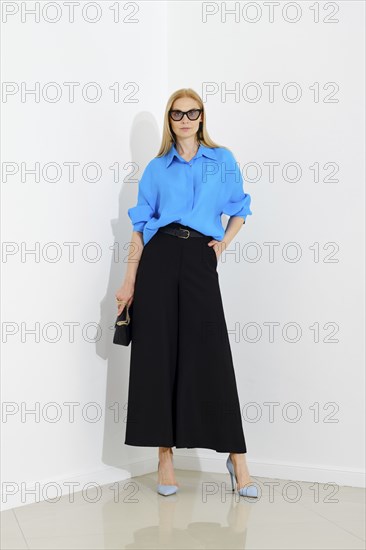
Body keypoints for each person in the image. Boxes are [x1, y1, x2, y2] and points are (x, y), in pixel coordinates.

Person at [115, 88, 257, 498]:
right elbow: (140, 228)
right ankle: (165, 457)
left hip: (199, 257)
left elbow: (240, 210)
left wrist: (222, 246)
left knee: (211, 355)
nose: (185, 119)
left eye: (193, 112)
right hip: (158, 260)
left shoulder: (222, 160)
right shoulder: (157, 168)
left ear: (201, 117)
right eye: (177, 113)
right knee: (158, 355)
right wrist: (129, 280)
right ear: (169, 119)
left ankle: (238, 457)